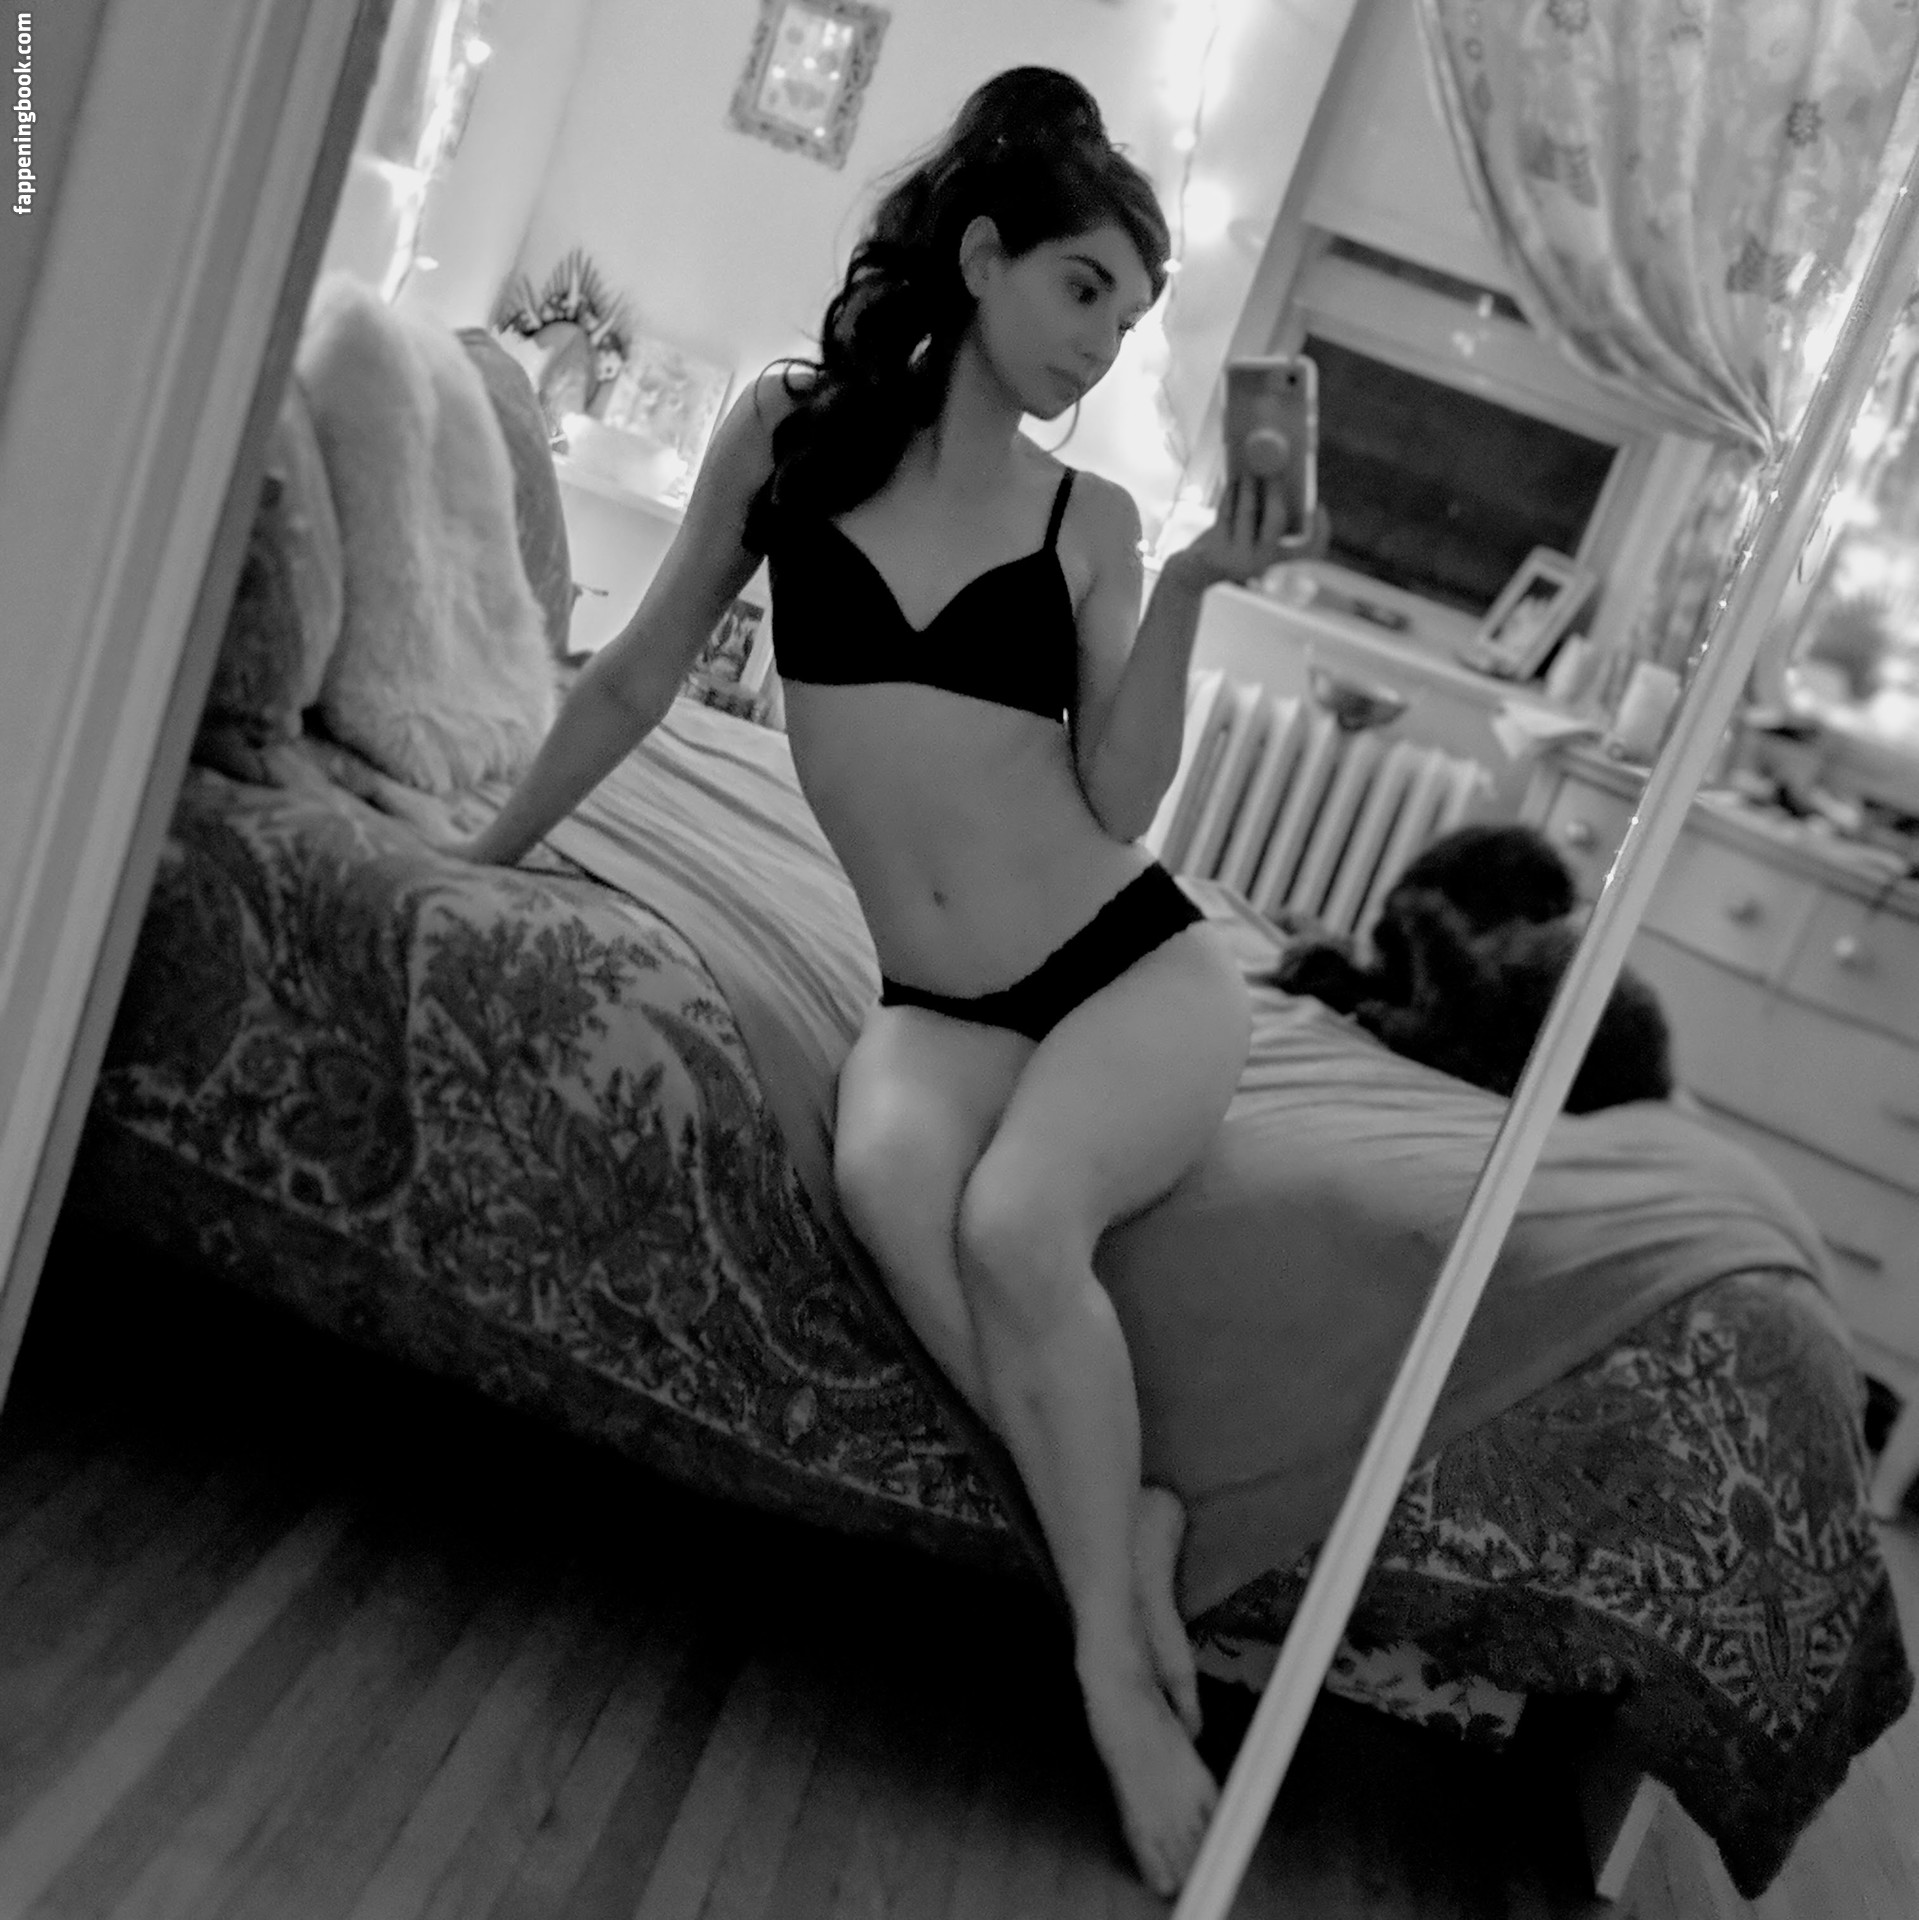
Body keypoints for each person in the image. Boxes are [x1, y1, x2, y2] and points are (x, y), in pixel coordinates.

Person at [458, 66, 1313, 1895]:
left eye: (1131, 315)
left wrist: (1193, 592)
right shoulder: (789, 431)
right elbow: (638, 671)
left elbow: (1120, 801)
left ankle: (1109, 1670)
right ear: (982, 254)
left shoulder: (1094, 525)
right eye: (1083, 287)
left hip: (1128, 978)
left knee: (1016, 1225)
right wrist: (492, 844)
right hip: (934, 1009)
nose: (1103, 341)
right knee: (883, 1172)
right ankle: (1127, 1529)